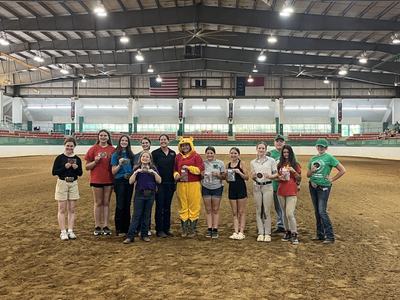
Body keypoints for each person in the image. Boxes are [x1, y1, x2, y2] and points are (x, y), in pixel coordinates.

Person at [307, 138, 346, 244]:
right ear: (316, 147)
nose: (320, 148)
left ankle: (330, 236)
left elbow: (342, 170)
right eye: (318, 146)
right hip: (313, 185)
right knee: (317, 211)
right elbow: (308, 175)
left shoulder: (329, 158)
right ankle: (320, 234)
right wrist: (312, 171)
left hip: (323, 187)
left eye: (322, 146)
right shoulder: (313, 159)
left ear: (326, 148)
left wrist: (332, 179)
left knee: (322, 211)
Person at [123, 151, 162, 243]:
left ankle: (144, 235)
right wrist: (136, 172)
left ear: (150, 159)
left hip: (150, 194)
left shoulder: (153, 168)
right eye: (143, 156)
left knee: (147, 215)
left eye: (147, 157)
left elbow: (159, 181)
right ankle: (130, 236)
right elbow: (130, 182)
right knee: (136, 215)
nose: (145, 158)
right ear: (140, 158)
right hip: (139, 194)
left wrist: (153, 173)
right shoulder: (137, 168)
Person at [84, 129, 115, 236]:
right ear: (98, 137)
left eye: (105, 135)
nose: (103, 137)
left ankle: (105, 225)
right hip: (96, 179)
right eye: (101, 135)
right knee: (98, 203)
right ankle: (97, 226)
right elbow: (87, 167)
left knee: (106, 203)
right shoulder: (93, 149)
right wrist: (95, 162)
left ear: (108, 137)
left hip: (109, 180)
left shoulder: (112, 150)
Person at [52, 137, 83, 240]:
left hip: (73, 183)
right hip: (62, 183)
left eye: (71, 146)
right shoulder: (59, 158)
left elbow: (80, 173)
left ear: (74, 146)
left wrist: (76, 168)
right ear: (64, 146)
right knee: (62, 208)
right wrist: (64, 167)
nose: (69, 147)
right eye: (68, 145)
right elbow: (54, 172)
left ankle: (70, 230)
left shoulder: (77, 159)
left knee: (72, 209)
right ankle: (63, 231)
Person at [174, 137, 204, 238]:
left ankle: (192, 229)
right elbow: (174, 169)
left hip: (194, 184)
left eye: (186, 145)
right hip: (181, 184)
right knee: (183, 206)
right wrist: (176, 175)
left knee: (194, 205)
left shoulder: (196, 156)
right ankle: (184, 228)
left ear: (190, 145)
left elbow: (200, 170)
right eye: (182, 145)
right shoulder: (178, 157)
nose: (185, 147)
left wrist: (189, 168)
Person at [250, 142, 279, 242]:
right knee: (258, 210)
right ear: (256, 149)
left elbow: (276, 174)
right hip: (257, 187)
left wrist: (270, 176)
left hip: (268, 186)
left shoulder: (271, 161)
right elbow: (253, 176)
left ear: (266, 149)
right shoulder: (253, 162)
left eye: (263, 148)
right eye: (259, 148)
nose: (261, 150)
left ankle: (267, 233)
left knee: (266, 210)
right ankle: (260, 232)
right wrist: (253, 177)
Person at [152, 134, 176, 238]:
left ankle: (167, 228)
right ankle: (159, 229)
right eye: (161, 139)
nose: (163, 141)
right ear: (159, 141)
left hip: (170, 184)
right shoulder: (155, 153)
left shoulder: (173, 153)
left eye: (165, 139)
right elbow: (153, 169)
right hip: (159, 184)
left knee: (167, 207)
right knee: (159, 207)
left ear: (168, 141)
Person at [277, 145, 301, 245]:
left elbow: (299, 179)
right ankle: (287, 232)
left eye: (287, 152)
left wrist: (293, 171)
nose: (286, 154)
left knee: (289, 213)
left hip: (291, 190)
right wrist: (279, 178)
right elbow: (278, 177)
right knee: (284, 213)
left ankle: (294, 233)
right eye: (284, 152)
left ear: (290, 153)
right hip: (281, 190)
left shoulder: (296, 164)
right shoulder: (280, 164)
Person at [111, 135, 135, 236]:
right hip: (119, 181)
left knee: (127, 204)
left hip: (129, 181)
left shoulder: (131, 155)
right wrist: (120, 165)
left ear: (128, 142)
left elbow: (134, 168)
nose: (124, 142)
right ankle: (119, 228)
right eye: (122, 140)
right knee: (120, 204)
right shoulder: (116, 154)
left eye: (126, 140)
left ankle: (127, 227)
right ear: (119, 142)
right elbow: (113, 171)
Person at [201, 146, 225, 239]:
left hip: (217, 188)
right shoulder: (203, 163)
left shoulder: (220, 163)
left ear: (214, 154)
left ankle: (215, 229)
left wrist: (218, 175)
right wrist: (202, 175)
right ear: (205, 154)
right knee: (208, 210)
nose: (209, 155)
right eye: (208, 153)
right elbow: (200, 176)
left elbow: (224, 176)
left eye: (211, 153)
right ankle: (209, 228)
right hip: (206, 187)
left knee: (215, 209)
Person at [226, 147, 249, 240]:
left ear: (238, 154)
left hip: (241, 189)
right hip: (232, 189)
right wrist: (226, 175)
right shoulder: (227, 165)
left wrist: (239, 172)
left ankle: (241, 231)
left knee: (241, 211)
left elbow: (247, 177)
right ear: (229, 154)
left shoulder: (241, 163)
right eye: (232, 153)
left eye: (235, 153)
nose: (233, 155)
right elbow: (227, 181)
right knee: (234, 212)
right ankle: (236, 231)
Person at [133, 136, 152, 235]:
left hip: (150, 186)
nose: (145, 144)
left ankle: (146, 228)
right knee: (139, 208)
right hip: (139, 186)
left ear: (150, 144)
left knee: (148, 209)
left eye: (146, 143)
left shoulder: (152, 156)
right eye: (143, 143)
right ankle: (138, 228)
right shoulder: (136, 156)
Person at [269, 135, 286, 234]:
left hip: (285, 184)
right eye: (277, 141)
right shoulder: (270, 154)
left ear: (284, 143)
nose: (279, 143)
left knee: (285, 206)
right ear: (274, 143)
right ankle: (281, 225)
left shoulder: (288, 153)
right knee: (278, 206)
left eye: (281, 141)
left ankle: (286, 225)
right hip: (274, 184)